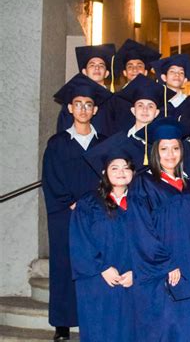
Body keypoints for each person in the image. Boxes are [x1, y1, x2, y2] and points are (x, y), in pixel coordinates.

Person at [42, 74, 111, 341]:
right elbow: (51, 179)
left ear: (95, 110)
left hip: (96, 215)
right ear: (70, 108)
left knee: (96, 264)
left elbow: (110, 177)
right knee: (63, 266)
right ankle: (62, 323)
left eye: (88, 104)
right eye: (78, 103)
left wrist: (92, 204)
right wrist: (71, 203)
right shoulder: (57, 143)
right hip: (65, 215)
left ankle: (92, 319)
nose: (83, 108)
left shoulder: (104, 143)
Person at [129, 118, 190, 341]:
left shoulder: (187, 182)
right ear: (155, 151)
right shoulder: (143, 183)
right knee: (167, 325)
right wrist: (166, 263)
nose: (170, 154)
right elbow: (141, 230)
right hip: (164, 267)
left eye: (175, 148)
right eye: (164, 149)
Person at [70, 134, 145, 341]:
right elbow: (80, 241)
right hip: (97, 281)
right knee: (101, 331)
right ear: (104, 172)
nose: (121, 172)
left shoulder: (144, 203)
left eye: (126, 167)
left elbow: (151, 243)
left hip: (133, 279)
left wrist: (138, 271)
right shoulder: (88, 204)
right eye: (114, 168)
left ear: (133, 172)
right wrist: (101, 267)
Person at [56, 44, 115, 134]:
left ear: (107, 73)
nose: (97, 68)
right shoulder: (72, 101)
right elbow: (64, 132)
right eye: (92, 65)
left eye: (101, 65)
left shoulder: (114, 101)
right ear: (84, 72)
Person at [110, 39, 162, 133]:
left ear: (145, 72)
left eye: (139, 66)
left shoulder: (156, 98)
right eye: (130, 66)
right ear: (125, 73)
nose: (135, 70)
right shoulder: (115, 99)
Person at [115, 73, 175, 138]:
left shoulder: (163, 142)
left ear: (156, 113)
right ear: (133, 110)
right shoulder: (119, 140)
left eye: (150, 106)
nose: (145, 109)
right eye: (140, 105)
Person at [150, 53, 190, 120]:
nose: (177, 74)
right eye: (172, 71)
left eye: (181, 72)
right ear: (164, 77)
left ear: (185, 80)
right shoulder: (155, 105)